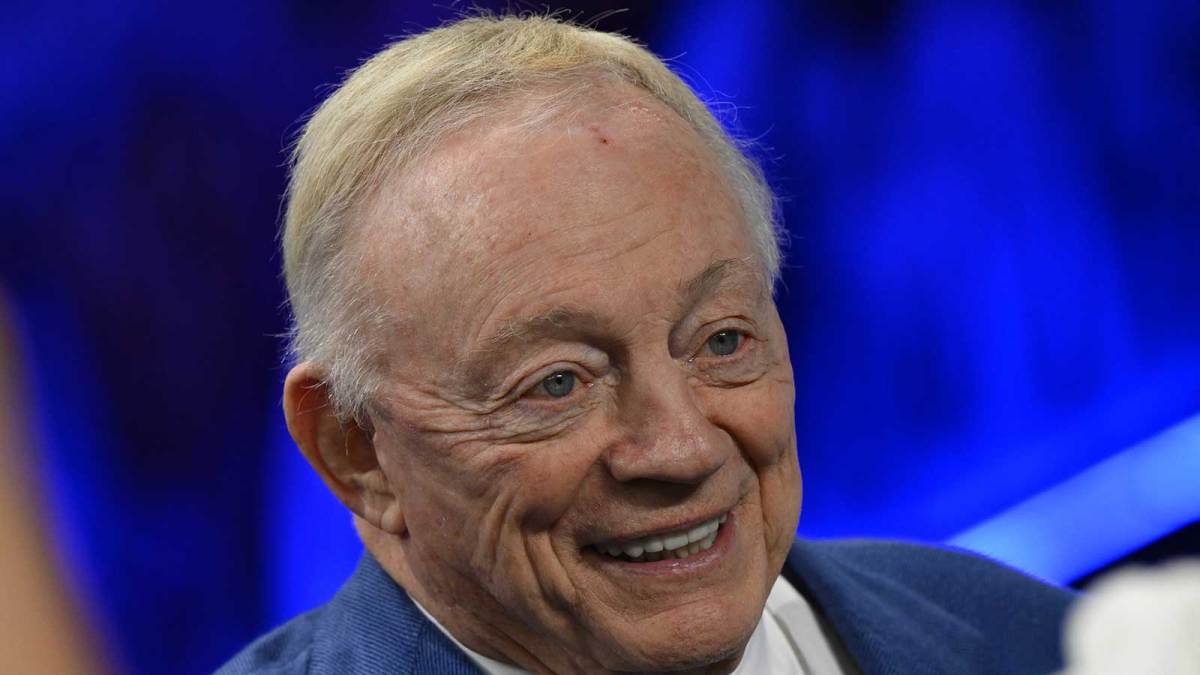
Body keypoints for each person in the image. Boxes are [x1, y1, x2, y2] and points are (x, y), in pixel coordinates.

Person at [220, 15, 1072, 675]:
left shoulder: (1033, 640)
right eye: (557, 383)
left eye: (722, 339)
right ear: (354, 447)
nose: (682, 446)